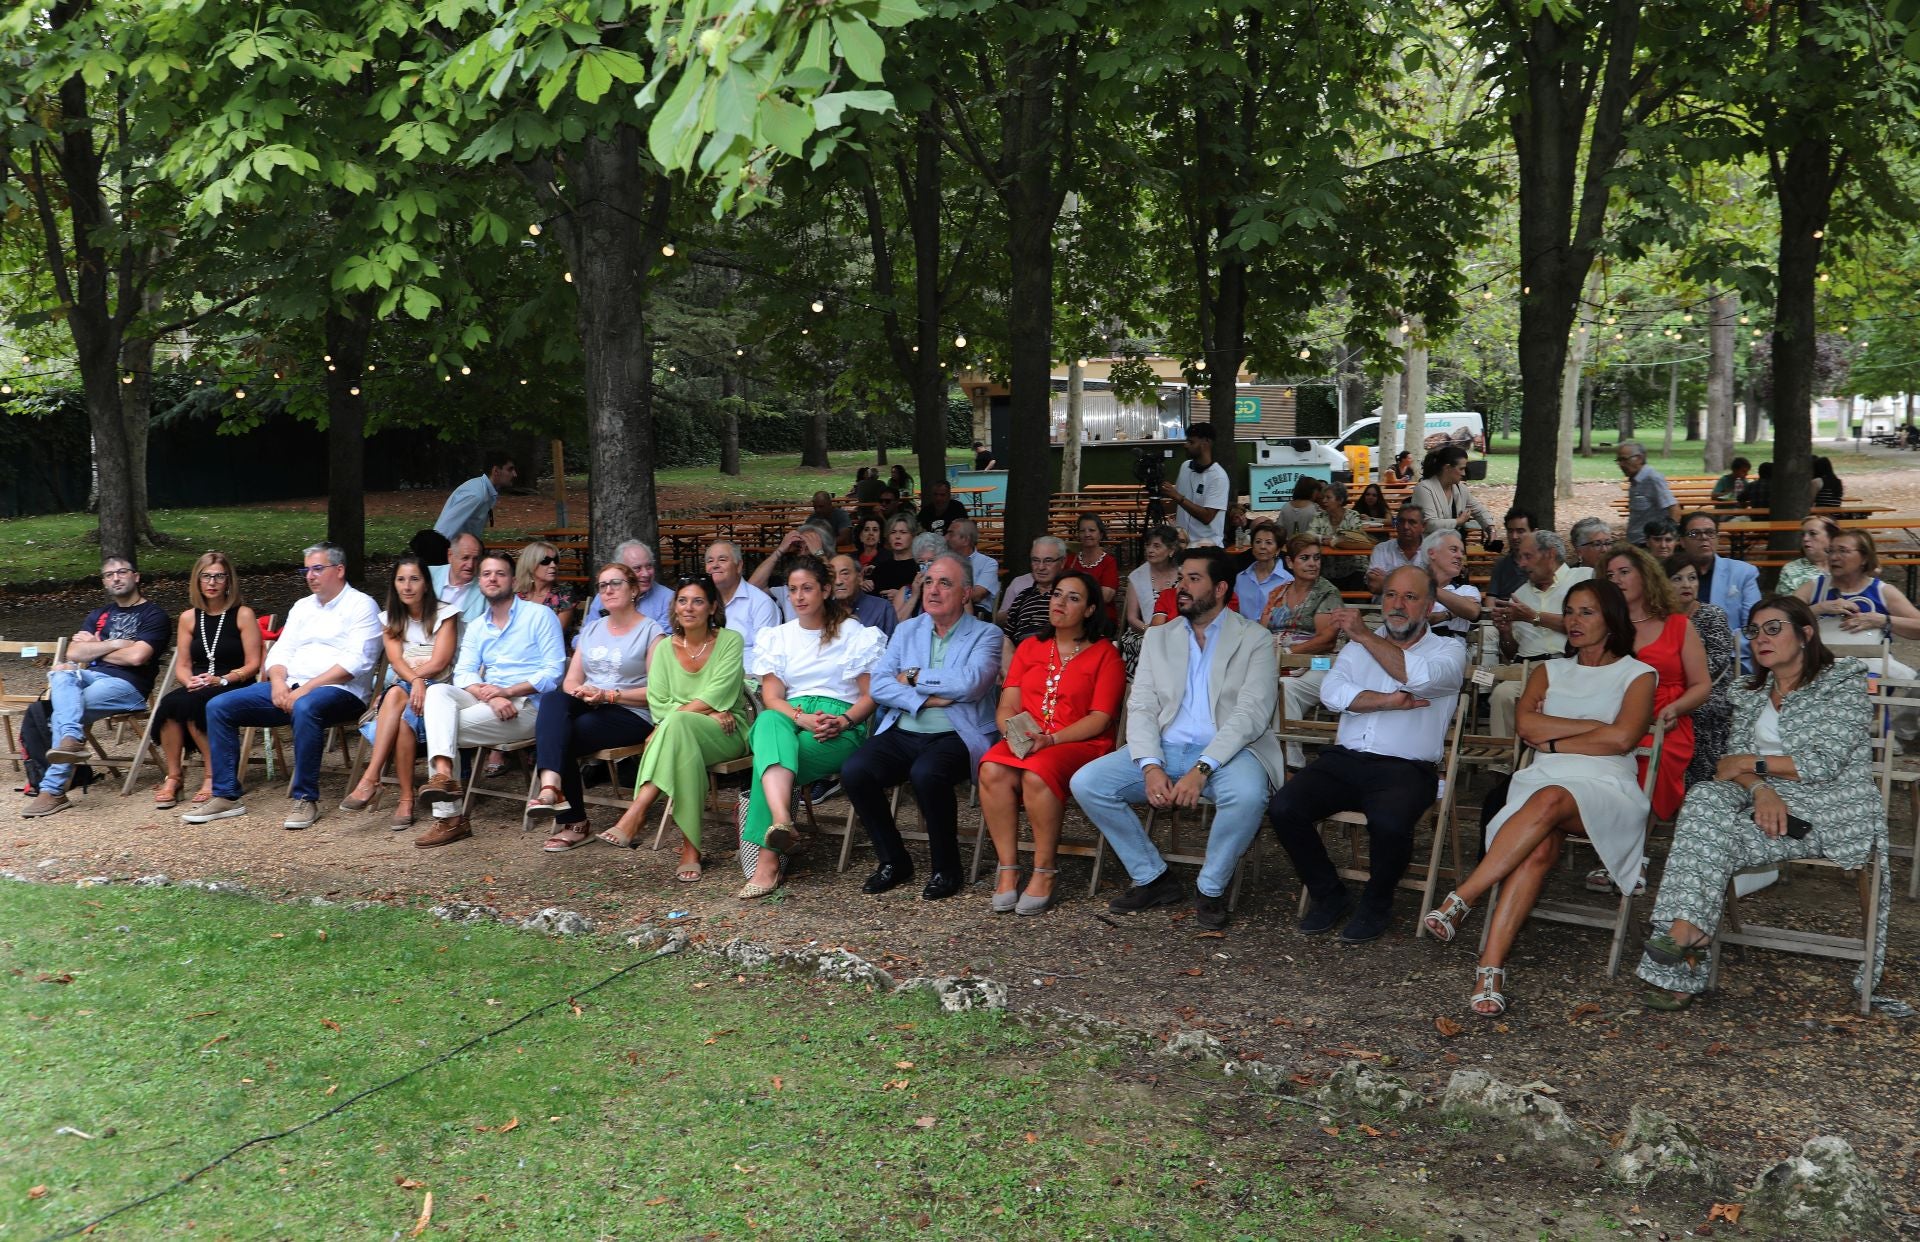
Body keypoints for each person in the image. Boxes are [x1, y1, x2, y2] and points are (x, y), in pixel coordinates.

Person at [1636, 597, 1888, 1010]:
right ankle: (1687, 933)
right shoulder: (1751, 691)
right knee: (1703, 798)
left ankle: (1682, 960)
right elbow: (1728, 767)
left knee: (1709, 842)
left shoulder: (1843, 680)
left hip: (1830, 811)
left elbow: (1822, 763)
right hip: (1764, 806)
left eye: (1773, 629)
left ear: (1806, 634)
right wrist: (1760, 789)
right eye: (1754, 632)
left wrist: (1750, 765)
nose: (1760, 639)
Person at [1422, 578, 1656, 1017]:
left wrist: (1555, 736)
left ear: (1612, 619)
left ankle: (1463, 898)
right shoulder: (1549, 670)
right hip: (1544, 781)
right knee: (1536, 848)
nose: (1574, 620)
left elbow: (1624, 738)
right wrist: (1590, 730)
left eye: (1587, 612)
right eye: (1570, 611)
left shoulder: (1638, 674)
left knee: (1550, 798)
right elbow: (1527, 729)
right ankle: (1489, 971)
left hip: (1607, 787)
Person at [1069, 549, 1283, 930]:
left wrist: (1203, 768)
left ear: (1219, 589)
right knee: (1088, 783)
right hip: (1166, 749)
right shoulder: (1159, 637)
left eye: (1192, 579)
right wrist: (1149, 766)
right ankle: (1152, 877)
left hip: (1232, 752)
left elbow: (1250, 715)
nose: (1180, 587)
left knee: (1249, 796)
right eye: (1180, 578)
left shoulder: (1256, 639)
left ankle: (1211, 887)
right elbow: (1143, 706)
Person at [1268, 564, 1467, 943]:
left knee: (1390, 823)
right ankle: (1330, 894)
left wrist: (1362, 636)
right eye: (1391, 595)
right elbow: (1332, 693)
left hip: (1407, 768)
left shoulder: (1449, 650)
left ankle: (1377, 902)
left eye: (1410, 597)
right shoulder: (1358, 648)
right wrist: (1389, 701)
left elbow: (1421, 678)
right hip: (1346, 759)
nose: (1397, 605)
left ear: (1428, 606)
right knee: (1283, 807)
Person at [182, 543, 382, 830]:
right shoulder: (302, 607)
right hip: (289, 687)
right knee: (219, 705)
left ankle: (305, 798)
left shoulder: (361, 605)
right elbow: (280, 653)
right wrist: (277, 683)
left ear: (339, 570)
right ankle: (226, 795)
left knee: (305, 705)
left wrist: (306, 688)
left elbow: (356, 663)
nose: (310, 576)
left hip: (341, 692)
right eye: (306, 570)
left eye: (317, 569)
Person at [841, 554, 1001, 900]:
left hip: (958, 732)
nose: (933, 589)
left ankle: (946, 868)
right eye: (928, 581)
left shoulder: (987, 634)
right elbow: (881, 685)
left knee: (927, 773)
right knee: (855, 770)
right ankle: (894, 860)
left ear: (965, 594)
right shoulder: (907, 629)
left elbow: (971, 684)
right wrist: (926, 698)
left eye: (945, 583)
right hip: (906, 727)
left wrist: (913, 677)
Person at [737, 556, 885, 897]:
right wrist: (799, 717)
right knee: (768, 721)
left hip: (840, 723)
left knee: (769, 762)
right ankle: (781, 822)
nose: (799, 597)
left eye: (807, 588)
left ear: (826, 590)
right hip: (793, 716)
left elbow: (870, 696)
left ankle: (769, 859)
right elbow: (772, 697)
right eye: (792, 590)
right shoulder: (779, 637)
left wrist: (844, 720)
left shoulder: (853, 632)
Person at [979, 572, 1123, 915]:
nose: (1059, 602)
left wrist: (1052, 739)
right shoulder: (1030, 647)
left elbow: (1100, 719)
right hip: (1028, 738)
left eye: (1073, 598)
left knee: (1037, 773)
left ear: (1090, 610)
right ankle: (1009, 868)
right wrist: (1012, 732)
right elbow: (1008, 703)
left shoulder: (1105, 655)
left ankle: (1044, 872)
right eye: (1057, 595)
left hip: (1079, 741)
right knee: (991, 767)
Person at [411, 552, 567, 847]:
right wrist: (491, 696)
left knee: (440, 727)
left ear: (513, 580)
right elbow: (463, 673)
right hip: (491, 703)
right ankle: (444, 774)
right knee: (437, 692)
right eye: (486, 574)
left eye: (500, 574)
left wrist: (508, 692)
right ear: (480, 582)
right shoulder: (479, 625)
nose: (492, 579)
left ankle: (449, 818)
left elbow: (553, 674)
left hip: (530, 708)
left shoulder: (539, 615)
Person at [594, 576, 750, 870]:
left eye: (698, 601)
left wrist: (688, 715)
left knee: (675, 726)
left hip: (728, 730)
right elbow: (658, 702)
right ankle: (690, 849)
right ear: (674, 607)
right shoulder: (665, 648)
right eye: (682, 600)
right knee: (681, 738)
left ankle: (638, 811)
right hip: (683, 733)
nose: (689, 608)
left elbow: (720, 693)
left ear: (712, 607)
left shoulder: (730, 641)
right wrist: (703, 711)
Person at [521, 562, 665, 851]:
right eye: (603, 585)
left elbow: (657, 692)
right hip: (591, 703)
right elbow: (570, 680)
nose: (608, 590)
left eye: (616, 583)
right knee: (552, 699)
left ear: (634, 589)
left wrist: (608, 695)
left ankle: (575, 822)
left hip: (630, 711)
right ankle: (551, 786)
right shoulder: (593, 629)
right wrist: (582, 691)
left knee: (566, 732)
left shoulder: (652, 632)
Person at [20, 556, 172, 818]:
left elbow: (137, 657)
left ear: (136, 577)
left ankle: (53, 790)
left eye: (122, 572)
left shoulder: (154, 615)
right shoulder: (100, 615)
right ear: (104, 582)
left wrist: (95, 649)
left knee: (63, 708)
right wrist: (115, 644)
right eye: (109, 574)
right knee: (61, 670)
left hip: (127, 687)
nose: (116, 577)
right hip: (92, 678)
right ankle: (71, 741)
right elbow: (74, 652)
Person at [338, 556, 459, 829]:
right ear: (394, 584)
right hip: (407, 688)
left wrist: (417, 680)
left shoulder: (445, 614)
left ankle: (373, 780)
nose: (407, 586)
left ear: (426, 584)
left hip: (439, 691)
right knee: (399, 709)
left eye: (414, 579)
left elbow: (440, 661)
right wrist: (414, 680)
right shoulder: (390, 619)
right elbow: (396, 661)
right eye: (401, 579)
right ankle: (402, 797)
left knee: (395, 698)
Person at [148, 552, 263, 811]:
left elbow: (253, 664)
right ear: (197, 581)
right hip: (199, 682)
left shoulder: (242, 614)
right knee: (170, 703)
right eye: (206, 576)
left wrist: (222, 679)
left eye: (219, 576)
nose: (212, 582)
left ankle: (214, 776)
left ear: (228, 581)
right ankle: (174, 777)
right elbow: (183, 665)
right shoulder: (189, 617)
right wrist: (188, 681)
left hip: (234, 681)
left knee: (193, 704)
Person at [1605, 544, 1710, 823]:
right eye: (1610, 575)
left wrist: (1675, 709)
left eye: (1624, 572)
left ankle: (1635, 847)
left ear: (1646, 576)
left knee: (1652, 759)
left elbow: (1701, 685)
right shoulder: (1603, 626)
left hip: (1666, 718)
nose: (1616, 579)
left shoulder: (1678, 625)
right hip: (1612, 715)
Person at [1488, 531, 1592, 736]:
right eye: (1520, 557)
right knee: (1502, 694)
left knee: (1556, 698)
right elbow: (1511, 653)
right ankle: (1503, 765)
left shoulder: (1583, 579)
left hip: (1570, 664)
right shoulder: (1519, 595)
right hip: (1526, 668)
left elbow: (1588, 626)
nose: (1522, 564)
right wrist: (1506, 633)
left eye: (1528, 556)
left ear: (1550, 554)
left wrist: (1533, 616)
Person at [1265, 534, 1343, 767]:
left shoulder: (1327, 593)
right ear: (1290, 562)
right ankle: (1262, 758)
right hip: (1278, 660)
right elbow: (1262, 629)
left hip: (1321, 662)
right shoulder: (1278, 593)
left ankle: (1292, 764)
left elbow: (1326, 640)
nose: (1312, 563)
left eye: (1317, 558)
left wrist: (1289, 653)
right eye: (1305, 558)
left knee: (1284, 689)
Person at [1793, 530, 1920, 665]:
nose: (1834, 557)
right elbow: (1780, 619)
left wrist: (1882, 620)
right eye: (1830, 551)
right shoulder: (1814, 587)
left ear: (1864, 558)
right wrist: (1819, 608)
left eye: (1843, 551)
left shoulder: (1882, 591)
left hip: (1870, 671)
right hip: (1821, 667)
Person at [1665, 556, 1737, 790]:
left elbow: (1715, 663)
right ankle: (1664, 790)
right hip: (1670, 691)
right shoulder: (1658, 620)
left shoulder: (1711, 615)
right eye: (1677, 579)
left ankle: (1702, 787)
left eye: (1692, 578)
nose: (1687, 585)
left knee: (1694, 712)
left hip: (1709, 691)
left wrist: (1677, 686)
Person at [1676, 511, 1761, 666]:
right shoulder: (1670, 575)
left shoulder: (1743, 573)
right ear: (1682, 541)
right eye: (1695, 533)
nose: (1704, 537)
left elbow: (1754, 627)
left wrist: (1714, 647)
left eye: (1710, 532)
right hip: (1678, 658)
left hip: (1733, 660)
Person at [704, 540, 781, 667]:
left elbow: (765, 656)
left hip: (746, 677)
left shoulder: (760, 603)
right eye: (710, 561)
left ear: (739, 566)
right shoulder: (701, 601)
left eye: (722, 560)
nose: (715, 565)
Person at [1120, 525, 1182, 674]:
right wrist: (1151, 632)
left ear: (1171, 550)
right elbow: (1132, 618)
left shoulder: (1184, 574)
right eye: (1148, 545)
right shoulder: (1137, 576)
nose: (1150, 550)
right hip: (1144, 632)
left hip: (1180, 632)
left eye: (1156, 546)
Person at [1161, 422, 1230, 546]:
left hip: (1206, 547)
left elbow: (1207, 517)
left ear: (1206, 443)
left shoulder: (1218, 477)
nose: (1185, 445)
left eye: (1191, 442)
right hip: (1181, 544)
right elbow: (1177, 504)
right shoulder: (1185, 467)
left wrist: (1177, 497)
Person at [997, 537, 1069, 647]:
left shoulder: (1069, 595)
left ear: (1062, 562)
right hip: (1023, 653)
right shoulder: (1023, 596)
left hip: (1057, 651)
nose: (1041, 567)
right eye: (1035, 560)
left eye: (1048, 561)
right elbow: (1007, 636)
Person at [432, 450, 517, 542]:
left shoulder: (487, 491)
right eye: (510, 469)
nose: (515, 474)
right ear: (496, 471)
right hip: (451, 552)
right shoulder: (476, 495)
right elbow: (443, 531)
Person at [1411, 445, 1494, 538]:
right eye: (1461, 469)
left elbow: (1479, 510)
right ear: (1447, 468)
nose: (1464, 473)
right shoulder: (1424, 488)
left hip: (1452, 546)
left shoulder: (1461, 489)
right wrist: (1458, 521)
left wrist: (1490, 528)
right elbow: (1429, 524)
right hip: (1428, 548)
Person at [1311, 484, 1375, 592]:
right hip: (1327, 569)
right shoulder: (1319, 517)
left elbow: (1355, 537)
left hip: (1353, 567)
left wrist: (1332, 540)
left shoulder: (1352, 515)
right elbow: (1309, 535)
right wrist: (1323, 538)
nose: (1324, 501)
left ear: (1340, 500)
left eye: (1328, 497)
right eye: (1323, 498)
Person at [1421, 530, 1483, 641]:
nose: (1460, 556)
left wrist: (1430, 589)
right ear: (1432, 553)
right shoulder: (1412, 588)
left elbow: (1473, 612)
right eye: (1453, 550)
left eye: (1462, 552)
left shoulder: (1467, 590)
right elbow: (1411, 622)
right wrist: (1451, 613)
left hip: (1450, 652)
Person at [1616, 440, 1678, 545]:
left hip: (1646, 545)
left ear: (1639, 458)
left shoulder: (1653, 479)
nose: (1621, 464)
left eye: (1624, 459)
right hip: (1634, 542)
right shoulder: (1635, 480)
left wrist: (1666, 541)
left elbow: (1674, 509)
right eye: (1619, 460)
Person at [1233, 523, 1294, 627]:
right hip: (1244, 635)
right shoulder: (1241, 578)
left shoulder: (1288, 580)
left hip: (1274, 636)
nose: (1262, 546)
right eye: (1258, 542)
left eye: (1268, 543)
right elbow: (1236, 611)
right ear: (1252, 547)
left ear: (1278, 550)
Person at [831, 553, 898, 637]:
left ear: (859, 577)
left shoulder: (882, 608)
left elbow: (894, 646)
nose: (838, 581)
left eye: (845, 574)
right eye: (832, 575)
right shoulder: (824, 610)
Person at [1365, 504, 1427, 595]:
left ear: (1423, 526)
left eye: (1412, 522)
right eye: (1401, 521)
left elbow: (1435, 588)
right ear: (1396, 524)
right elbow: (1375, 585)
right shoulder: (1382, 549)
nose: (1405, 526)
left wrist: (1388, 579)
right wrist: (1418, 584)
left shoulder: (1433, 551)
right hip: (1386, 607)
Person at [1063, 511, 1118, 612]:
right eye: (1082, 531)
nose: (1087, 534)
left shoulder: (1109, 562)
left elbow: (1106, 596)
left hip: (1101, 617)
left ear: (1101, 534)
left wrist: (1075, 594)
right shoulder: (1070, 560)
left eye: (1091, 530)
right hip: (1073, 615)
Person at [429, 532, 486, 623]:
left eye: (475, 559)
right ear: (450, 556)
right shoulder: (428, 575)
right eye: (465, 558)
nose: (470, 565)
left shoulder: (485, 589)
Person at [944, 519, 998, 613]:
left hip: (977, 614)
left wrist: (946, 593)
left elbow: (977, 595)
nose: (945, 538)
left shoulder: (988, 563)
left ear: (965, 540)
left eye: (951, 534)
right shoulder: (943, 561)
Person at [867, 513, 921, 605]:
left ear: (913, 536)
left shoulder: (919, 568)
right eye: (893, 532)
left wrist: (902, 596)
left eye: (903, 532)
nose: (897, 537)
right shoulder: (880, 568)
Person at [1777, 517, 1840, 596]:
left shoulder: (1845, 565)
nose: (1805, 539)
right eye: (1803, 534)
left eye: (1813, 533)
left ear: (1831, 537)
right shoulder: (1791, 569)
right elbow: (1785, 606)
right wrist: (1817, 608)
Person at [1486, 509, 1534, 601]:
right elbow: (1491, 598)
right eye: (1510, 531)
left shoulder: (1543, 563)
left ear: (1534, 532)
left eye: (1520, 531)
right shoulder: (1502, 564)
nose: (1514, 536)